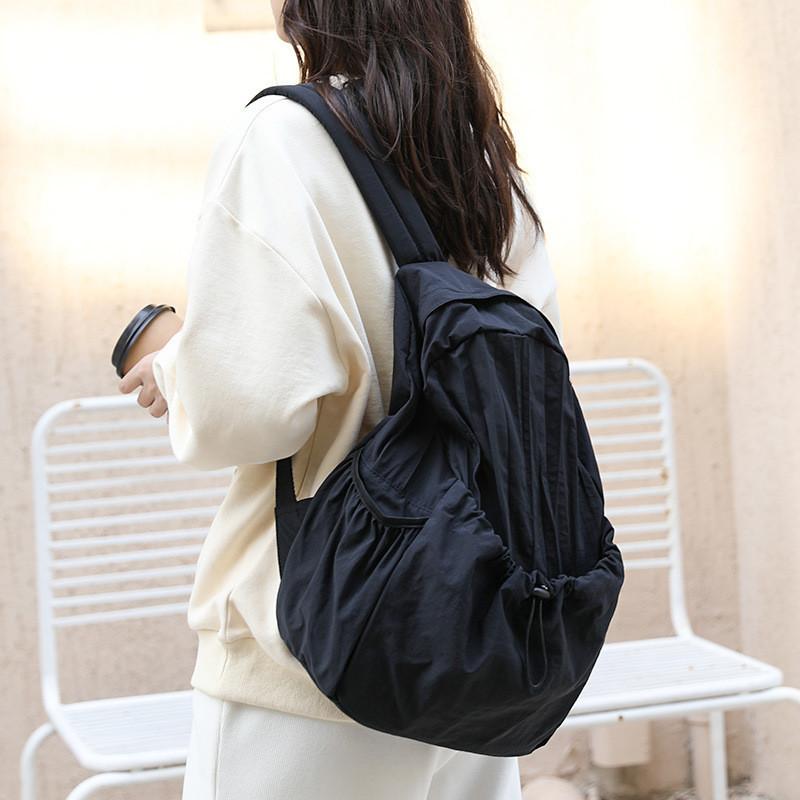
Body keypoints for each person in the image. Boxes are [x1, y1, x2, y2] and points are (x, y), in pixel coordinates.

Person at [119, 0, 563, 797]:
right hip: (475, 634)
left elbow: (251, 407)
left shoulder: (284, 138)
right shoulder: (481, 154)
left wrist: (174, 361)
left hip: (318, 645)